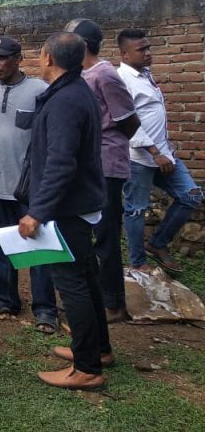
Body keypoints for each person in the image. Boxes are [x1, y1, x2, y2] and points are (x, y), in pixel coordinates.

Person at [19, 32, 111, 390]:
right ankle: (98, 349)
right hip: (79, 204)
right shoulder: (75, 90)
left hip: (67, 209)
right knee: (86, 278)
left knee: (71, 283)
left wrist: (37, 212)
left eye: (40, 53)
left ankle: (87, 368)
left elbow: (61, 163)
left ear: (48, 58)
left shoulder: (65, 101)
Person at [0, 36, 57, 334]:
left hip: (31, 186)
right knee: (0, 242)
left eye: (2, 58)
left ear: (18, 59)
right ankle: (4, 299)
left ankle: (45, 309)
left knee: (39, 244)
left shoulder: (40, 90)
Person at [65, 19, 140, 321]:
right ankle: (96, 295)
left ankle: (113, 304)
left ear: (82, 45)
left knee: (105, 235)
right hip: (89, 165)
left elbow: (130, 120)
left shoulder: (105, 75)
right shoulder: (80, 74)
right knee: (88, 233)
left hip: (107, 166)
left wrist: (107, 143)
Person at [118, 28, 202, 274]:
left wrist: (164, 149)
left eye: (148, 48)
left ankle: (156, 244)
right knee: (136, 210)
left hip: (164, 155)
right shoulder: (121, 80)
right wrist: (155, 152)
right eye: (141, 49)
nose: (148, 53)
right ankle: (138, 263)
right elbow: (127, 123)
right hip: (139, 159)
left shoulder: (145, 75)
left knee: (191, 196)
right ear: (124, 54)